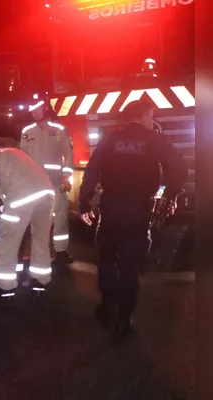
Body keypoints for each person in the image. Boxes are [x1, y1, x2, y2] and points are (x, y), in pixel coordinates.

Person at [78, 99, 187, 338]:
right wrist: (170, 195)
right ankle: (124, 319)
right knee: (130, 264)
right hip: (138, 210)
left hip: (111, 207)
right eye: (151, 115)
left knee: (106, 256)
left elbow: (93, 169)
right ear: (143, 115)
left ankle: (107, 304)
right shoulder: (153, 140)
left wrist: (85, 200)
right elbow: (179, 167)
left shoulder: (110, 138)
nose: (151, 120)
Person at [0, 144, 55, 298]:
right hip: (47, 193)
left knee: (8, 241)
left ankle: (6, 287)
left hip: (21, 198)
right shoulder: (13, 152)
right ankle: (41, 281)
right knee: (41, 240)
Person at [20, 98, 74, 267]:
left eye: (37, 109)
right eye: (32, 110)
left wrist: (66, 176)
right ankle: (40, 251)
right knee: (37, 219)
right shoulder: (27, 131)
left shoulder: (59, 129)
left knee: (60, 218)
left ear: (46, 109)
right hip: (35, 184)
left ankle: (61, 251)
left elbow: (69, 154)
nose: (34, 113)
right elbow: (22, 156)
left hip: (56, 182)